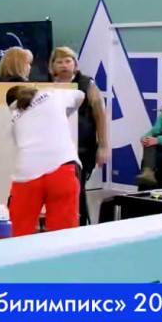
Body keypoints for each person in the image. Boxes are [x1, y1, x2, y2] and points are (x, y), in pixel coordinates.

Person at [6, 85, 85, 237]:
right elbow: (80, 95)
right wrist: (64, 114)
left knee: (18, 232)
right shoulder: (53, 94)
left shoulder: (14, 118)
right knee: (63, 234)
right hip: (62, 166)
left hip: (27, 173)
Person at [48, 47, 109, 226]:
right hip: (54, 147)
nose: (64, 65)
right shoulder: (46, 86)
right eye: (59, 62)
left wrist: (104, 146)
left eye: (68, 61)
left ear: (75, 64)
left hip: (83, 147)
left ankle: (80, 225)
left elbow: (100, 115)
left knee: (76, 188)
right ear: (52, 66)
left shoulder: (88, 84)